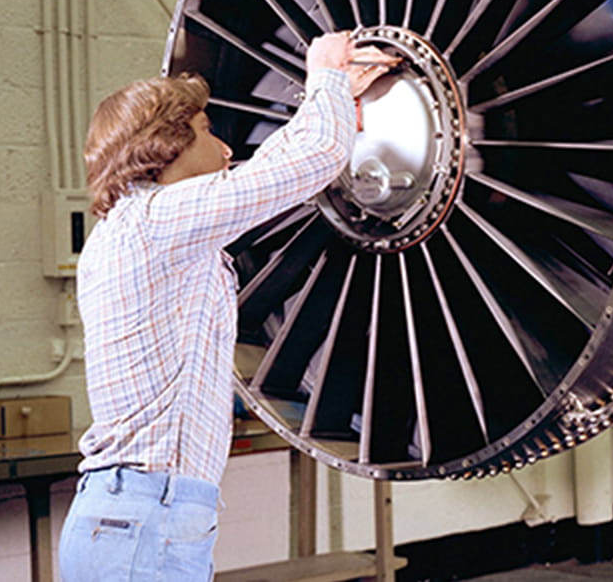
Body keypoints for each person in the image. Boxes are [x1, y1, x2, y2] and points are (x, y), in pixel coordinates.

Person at [57, 31, 394, 581]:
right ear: (166, 145)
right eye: (207, 131)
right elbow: (312, 160)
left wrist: (329, 102)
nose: (226, 149)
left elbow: (264, 178)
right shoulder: (158, 223)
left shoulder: (138, 228)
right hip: (145, 524)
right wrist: (326, 68)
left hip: (136, 519)